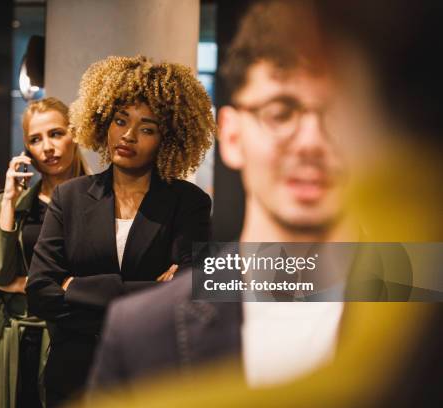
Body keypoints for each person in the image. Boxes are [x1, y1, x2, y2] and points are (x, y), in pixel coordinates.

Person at [87, 0, 407, 395]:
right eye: (280, 112)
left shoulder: (422, 314)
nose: (312, 142)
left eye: (338, 113)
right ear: (233, 136)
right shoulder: (142, 331)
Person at [25, 55, 216, 406]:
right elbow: (39, 291)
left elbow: (189, 295)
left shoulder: (188, 202)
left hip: (152, 378)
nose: (128, 136)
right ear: (103, 122)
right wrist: (149, 291)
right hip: (74, 376)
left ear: (167, 138)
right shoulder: (70, 197)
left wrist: (76, 287)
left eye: (147, 128)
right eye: (120, 121)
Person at [0, 97, 89, 408]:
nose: (47, 148)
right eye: (35, 139)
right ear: (26, 148)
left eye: (56, 133)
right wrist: (9, 198)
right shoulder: (17, 202)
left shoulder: (99, 199)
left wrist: (20, 284)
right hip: (12, 337)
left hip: (70, 337)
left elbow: (98, 280)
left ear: (74, 134)